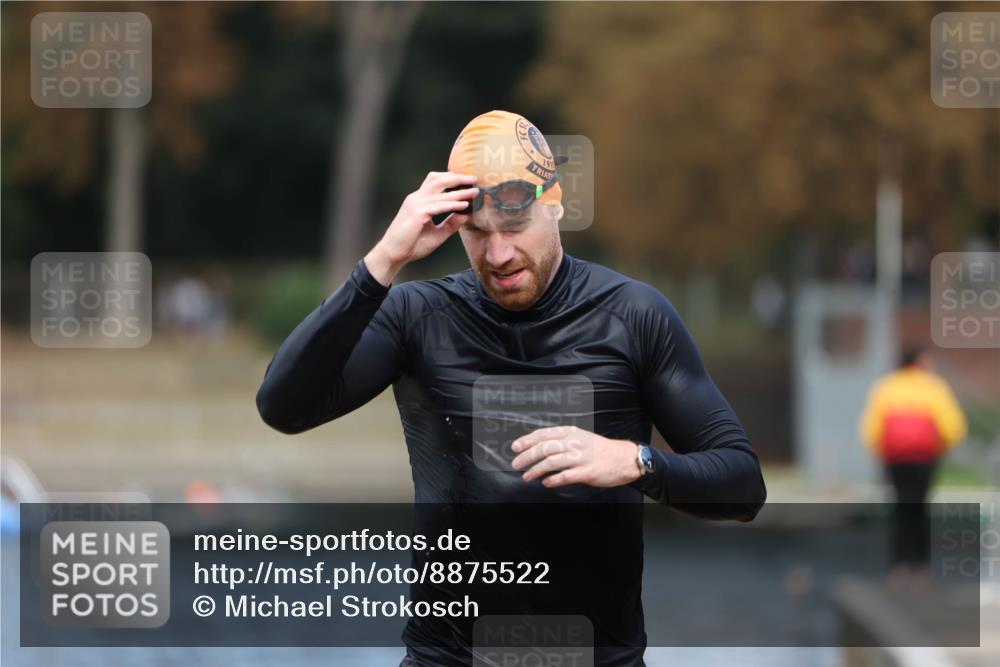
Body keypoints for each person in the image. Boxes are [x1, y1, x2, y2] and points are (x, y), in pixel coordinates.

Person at [256, 110, 767, 666]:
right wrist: (385, 260)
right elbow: (283, 406)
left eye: (515, 227)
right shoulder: (418, 316)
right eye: (478, 234)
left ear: (556, 203)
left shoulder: (633, 315)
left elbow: (742, 485)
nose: (498, 256)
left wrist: (635, 461)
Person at [859, 347, 967, 587]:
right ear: (920, 361)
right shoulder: (933, 386)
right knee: (920, 509)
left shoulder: (887, 386)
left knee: (901, 508)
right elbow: (953, 425)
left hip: (896, 458)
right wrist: (942, 447)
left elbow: (871, 428)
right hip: (924, 458)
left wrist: (879, 452)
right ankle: (921, 567)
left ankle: (899, 566)